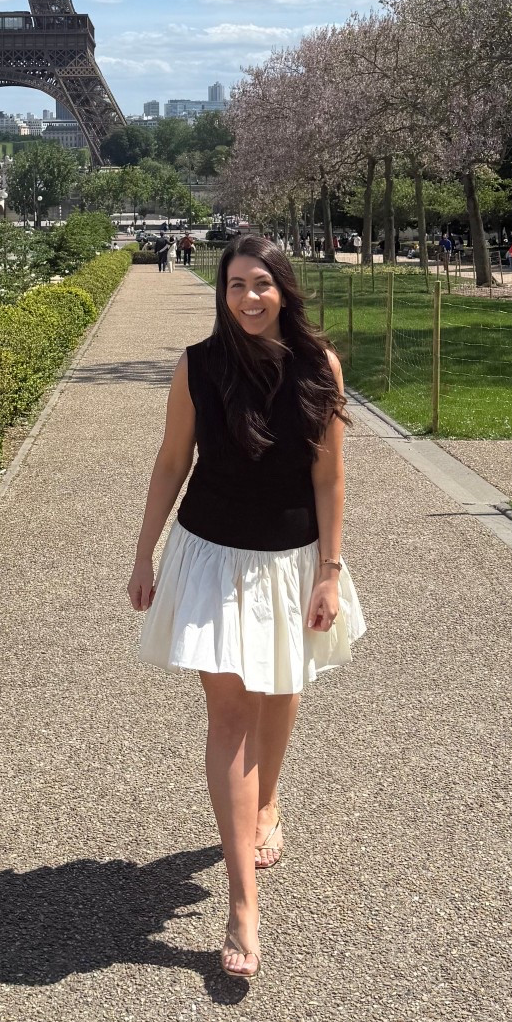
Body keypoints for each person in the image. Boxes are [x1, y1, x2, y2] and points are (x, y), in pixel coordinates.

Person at [130, 234, 366, 981]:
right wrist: (144, 554)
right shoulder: (197, 367)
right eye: (235, 285)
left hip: (294, 558)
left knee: (281, 688)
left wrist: (330, 570)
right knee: (231, 713)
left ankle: (267, 804)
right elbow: (173, 462)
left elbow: (329, 479)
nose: (248, 297)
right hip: (211, 555)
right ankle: (242, 902)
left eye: (261, 283)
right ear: (221, 292)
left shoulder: (317, 365)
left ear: (283, 290)